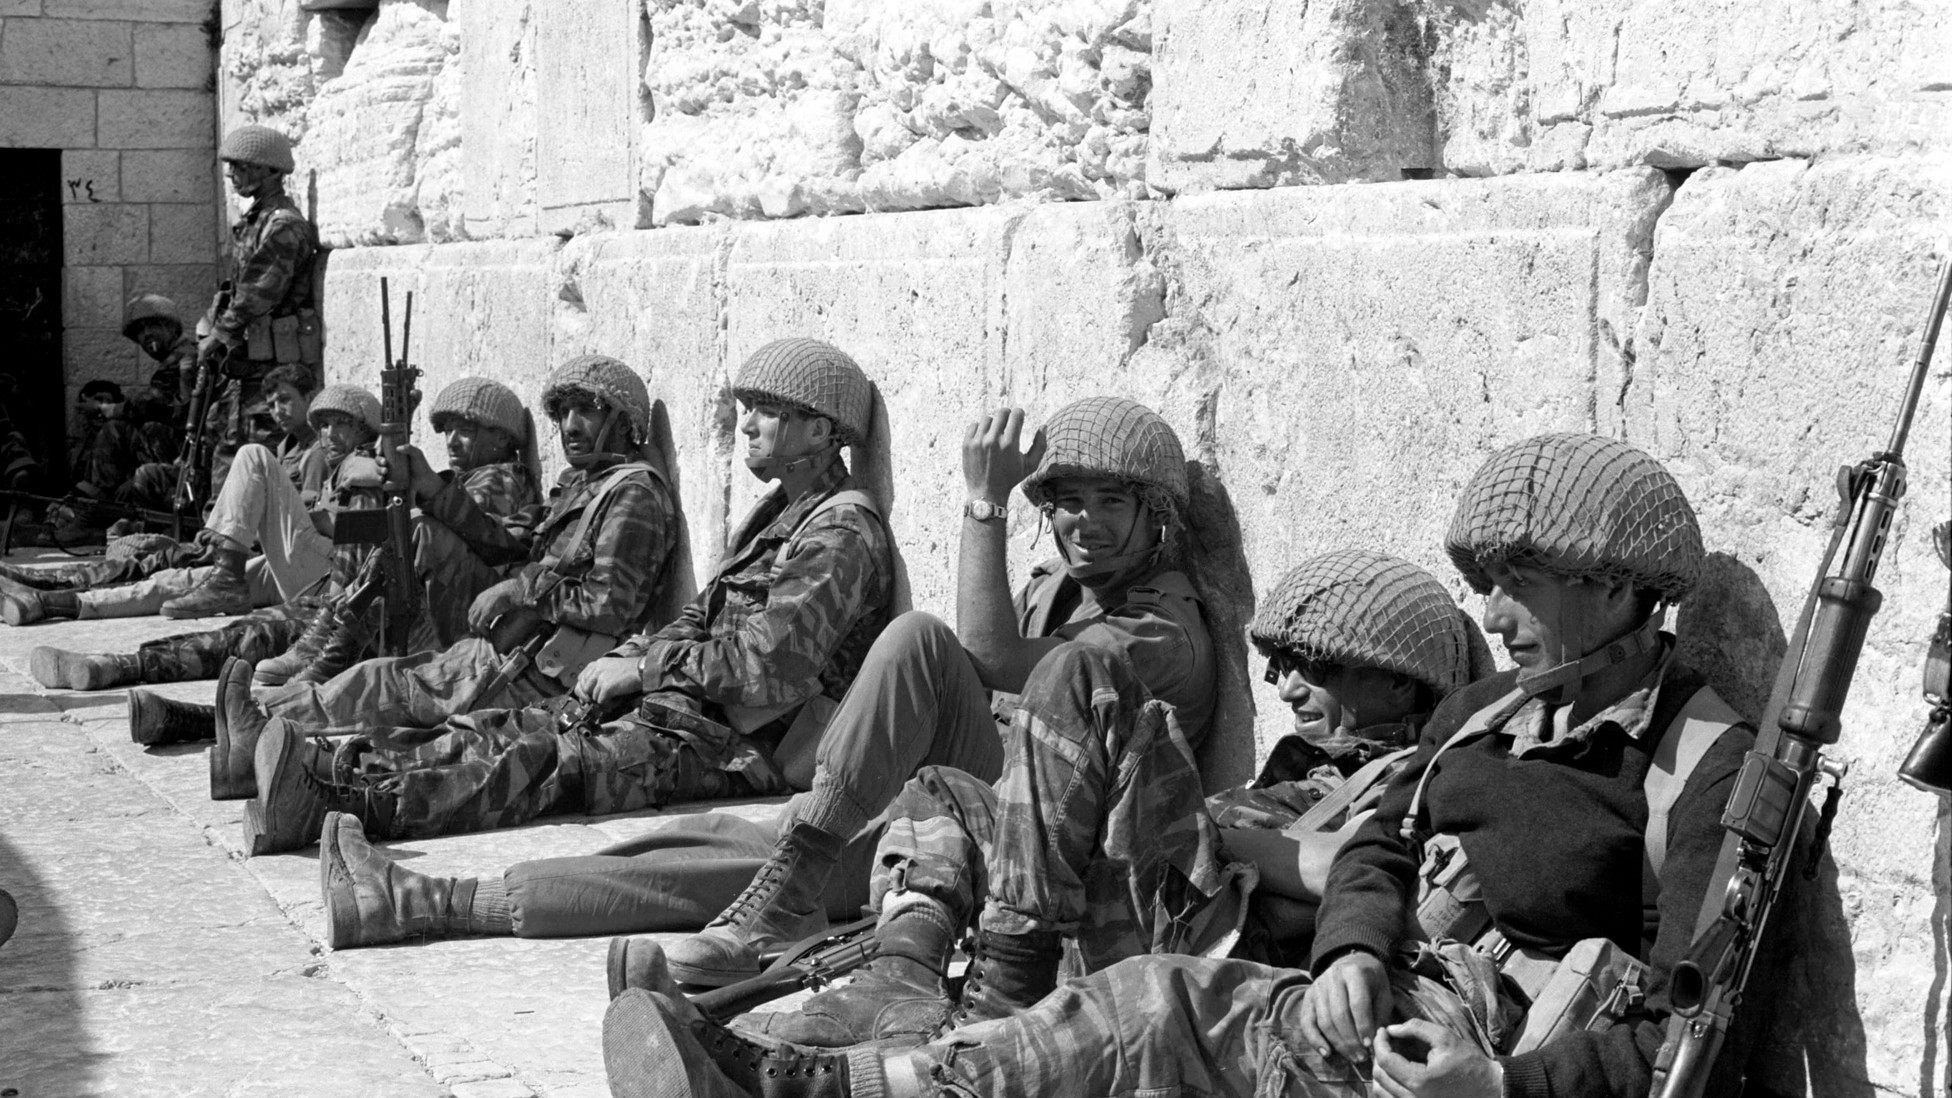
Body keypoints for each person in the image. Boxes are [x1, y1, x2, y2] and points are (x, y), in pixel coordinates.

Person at [601, 431, 1763, 1098]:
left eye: (1517, 581)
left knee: (1152, 1003)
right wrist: (1358, 942)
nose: (1490, 608)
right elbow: (1380, 844)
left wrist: (1500, 1087)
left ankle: (826, 1077)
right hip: (1371, 986)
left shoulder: (1700, 759)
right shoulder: (1483, 712)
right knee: (1092, 973)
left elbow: (1683, 1023)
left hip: (1470, 1039)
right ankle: (853, 1038)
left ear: (1613, 588)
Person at [313, 396, 1216, 993]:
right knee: (711, 839)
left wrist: (984, 505)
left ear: (1159, 517)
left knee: (724, 864)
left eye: (1111, 505)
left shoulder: (1162, 628)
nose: (1082, 524)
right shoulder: (1066, 589)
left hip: (1041, 859)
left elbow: (973, 657)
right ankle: (415, 878)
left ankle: (433, 904)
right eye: (1065, 501)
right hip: (970, 806)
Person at [702, 550, 1486, 1050]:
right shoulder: (1307, 758)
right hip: (1173, 895)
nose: (1283, 685)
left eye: (1311, 665)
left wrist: (1216, 832)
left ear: (1396, 680)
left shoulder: (1420, 777)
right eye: (1276, 662)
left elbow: (1359, 875)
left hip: (1228, 942)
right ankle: (903, 979)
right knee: (946, 793)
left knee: (1083, 677)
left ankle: (1007, 990)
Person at [257, 338, 895, 870]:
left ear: (819, 429)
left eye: (768, 411)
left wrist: (643, 668)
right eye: (747, 408)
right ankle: (322, 768)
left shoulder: (838, 533)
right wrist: (639, 661)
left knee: (540, 765)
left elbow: (769, 665)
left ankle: (338, 805)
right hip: (677, 707)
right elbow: (699, 616)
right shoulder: (782, 512)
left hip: (730, 743)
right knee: (495, 729)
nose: (746, 425)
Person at [214, 354, 681, 847]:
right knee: (382, 677)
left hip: (543, 669)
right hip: (515, 649)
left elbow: (611, 604)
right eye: (562, 413)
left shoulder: (634, 496)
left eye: (585, 411)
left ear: (623, 422)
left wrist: (521, 589)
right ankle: (253, 731)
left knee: (410, 715)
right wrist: (433, 490)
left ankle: (271, 743)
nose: (569, 426)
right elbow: (514, 546)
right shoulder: (586, 485)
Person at [25, 379, 541, 752]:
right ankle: (121, 665)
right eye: (448, 428)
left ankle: (191, 705)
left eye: (468, 430)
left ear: (502, 437)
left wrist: (421, 491)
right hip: (364, 592)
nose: (453, 440)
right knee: (254, 632)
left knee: (304, 661)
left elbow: (497, 548)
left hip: (414, 611)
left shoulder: (503, 479)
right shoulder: (452, 475)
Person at [0, 363, 325, 627]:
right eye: (271, 404)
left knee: (160, 569)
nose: (278, 411)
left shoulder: (318, 453)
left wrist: (239, 534)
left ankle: (54, 590)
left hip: (284, 562)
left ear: (312, 396)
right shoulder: (287, 449)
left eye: (285, 399)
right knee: (164, 575)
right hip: (260, 555)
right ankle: (54, 594)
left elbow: (304, 521)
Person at [201, 124, 320, 501]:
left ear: (268, 170)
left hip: (273, 367)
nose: (232, 174)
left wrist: (221, 335)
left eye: (240, 166)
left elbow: (258, 292)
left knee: (262, 453)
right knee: (227, 447)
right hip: (248, 363)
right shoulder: (256, 220)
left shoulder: (283, 225)